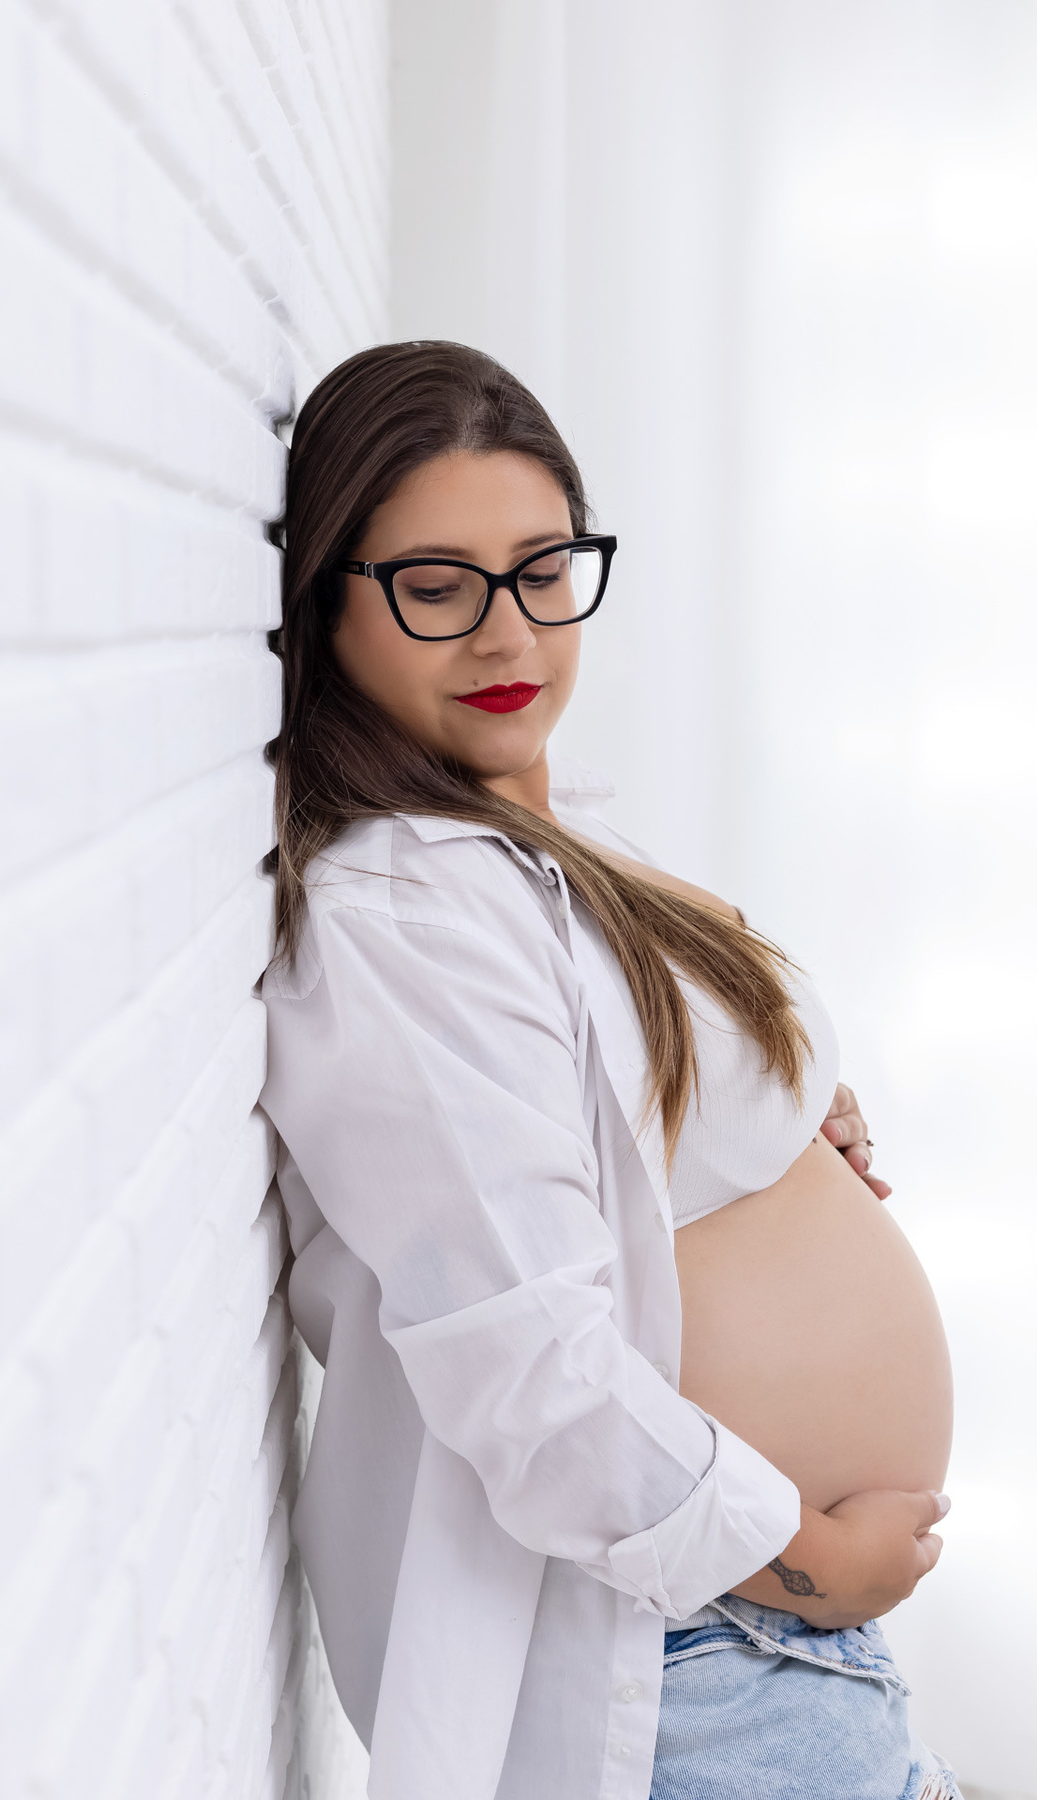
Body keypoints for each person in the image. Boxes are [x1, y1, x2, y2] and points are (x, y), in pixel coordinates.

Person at [259, 341, 958, 1800]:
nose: (505, 635)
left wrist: (786, 1126)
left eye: (541, 571)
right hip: (694, 1661)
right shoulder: (405, 909)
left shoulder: (542, 841)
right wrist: (807, 1558)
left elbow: (619, 1119)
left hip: (742, 1654)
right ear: (328, 601)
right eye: (436, 587)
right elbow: (527, 1361)